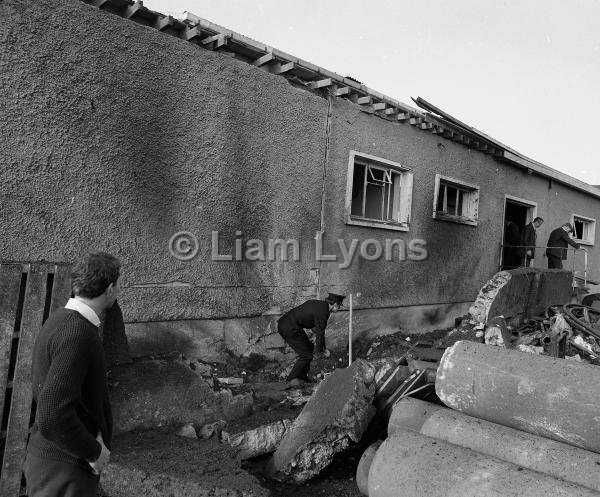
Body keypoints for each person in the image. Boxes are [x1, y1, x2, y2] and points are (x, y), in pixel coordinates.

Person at [24, 252, 120, 497]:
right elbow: (52, 413)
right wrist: (94, 452)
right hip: (63, 471)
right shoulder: (77, 333)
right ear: (110, 289)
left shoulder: (61, 320)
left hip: (56, 465)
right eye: (119, 285)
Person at [278, 292, 345, 387]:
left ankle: (302, 378)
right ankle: (290, 381)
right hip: (289, 328)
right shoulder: (324, 312)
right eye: (339, 306)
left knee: (309, 348)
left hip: (289, 324)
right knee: (306, 355)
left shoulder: (320, 305)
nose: (339, 309)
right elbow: (320, 333)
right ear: (335, 304)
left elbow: (316, 329)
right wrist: (320, 352)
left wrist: (322, 347)